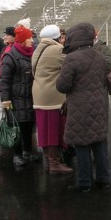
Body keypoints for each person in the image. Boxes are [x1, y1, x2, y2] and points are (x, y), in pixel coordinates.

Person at [56, 23, 110, 192]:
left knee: (81, 145)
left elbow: (62, 86)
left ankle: (84, 183)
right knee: (99, 143)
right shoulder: (100, 56)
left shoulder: (71, 58)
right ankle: (103, 179)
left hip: (80, 107)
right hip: (100, 105)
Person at [32, 24, 73, 175]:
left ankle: (49, 162)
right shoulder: (56, 49)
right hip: (53, 97)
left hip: (39, 95)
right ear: (57, 37)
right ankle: (55, 163)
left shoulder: (38, 49)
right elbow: (70, 64)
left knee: (44, 129)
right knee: (54, 130)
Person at [0, 26, 38, 168]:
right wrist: (5, 99)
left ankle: (27, 152)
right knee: (16, 128)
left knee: (28, 125)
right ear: (22, 40)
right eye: (29, 38)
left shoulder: (31, 53)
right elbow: (4, 79)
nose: (32, 40)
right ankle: (17, 155)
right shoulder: (10, 55)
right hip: (15, 98)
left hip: (29, 97)